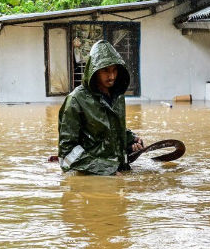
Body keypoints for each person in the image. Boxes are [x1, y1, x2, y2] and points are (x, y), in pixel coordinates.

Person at [57, 40, 144, 175]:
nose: (112, 76)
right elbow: (67, 154)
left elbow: (111, 130)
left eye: (115, 70)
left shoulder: (118, 97)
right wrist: (105, 170)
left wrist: (131, 141)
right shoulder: (75, 100)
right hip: (92, 178)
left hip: (119, 171)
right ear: (93, 70)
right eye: (105, 71)